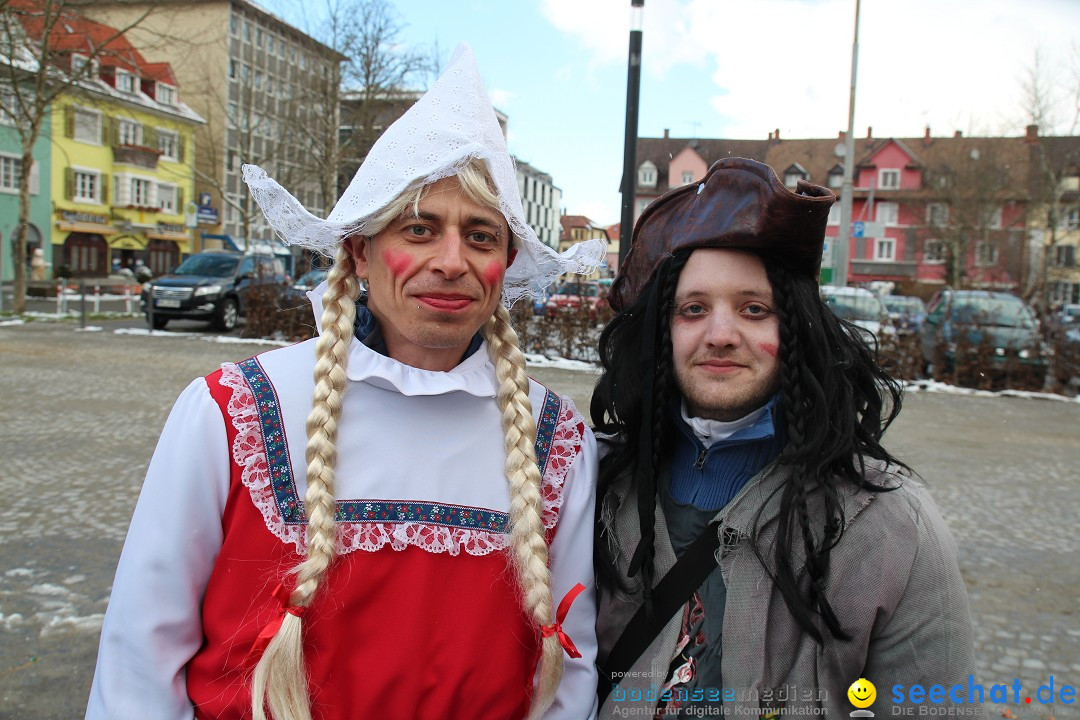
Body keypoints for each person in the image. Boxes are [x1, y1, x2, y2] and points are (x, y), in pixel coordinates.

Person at [86, 45, 604, 720]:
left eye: (481, 237)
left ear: (505, 262)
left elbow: (570, 671)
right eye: (419, 229)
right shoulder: (233, 409)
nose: (452, 261)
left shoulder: (556, 438)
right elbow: (139, 665)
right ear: (359, 251)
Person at [590, 158, 981, 718]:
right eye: (693, 309)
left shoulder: (889, 526)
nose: (720, 335)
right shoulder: (598, 487)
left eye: (754, 309)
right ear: (663, 329)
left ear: (795, 327)